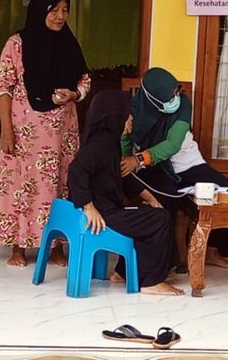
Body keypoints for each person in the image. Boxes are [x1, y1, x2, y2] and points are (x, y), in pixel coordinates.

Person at [0, 0, 91, 267]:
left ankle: (56, 248)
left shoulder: (69, 43)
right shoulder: (17, 44)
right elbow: (3, 89)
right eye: (54, 10)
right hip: (25, 134)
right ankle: (19, 248)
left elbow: (84, 80)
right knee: (22, 187)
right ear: (40, 10)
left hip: (62, 135)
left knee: (59, 187)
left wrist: (75, 94)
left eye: (65, 10)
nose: (60, 16)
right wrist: (7, 132)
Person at [120, 67, 228, 270]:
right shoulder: (135, 111)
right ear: (153, 100)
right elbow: (126, 149)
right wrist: (127, 141)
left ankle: (212, 251)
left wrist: (139, 159)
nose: (176, 98)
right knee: (162, 204)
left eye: (176, 92)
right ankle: (162, 265)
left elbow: (173, 144)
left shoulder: (183, 104)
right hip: (154, 169)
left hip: (188, 166)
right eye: (170, 97)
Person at [67, 90, 183, 296]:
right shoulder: (102, 144)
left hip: (109, 209)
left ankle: (121, 273)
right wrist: (88, 207)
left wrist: (151, 198)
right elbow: (76, 169)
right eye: (128, 114)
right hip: (104, 213)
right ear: (115, 115)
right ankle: (150, 281)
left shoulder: (109, 142)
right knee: (160, 219)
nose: (131, 119)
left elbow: (122, 175)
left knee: (151, 213)